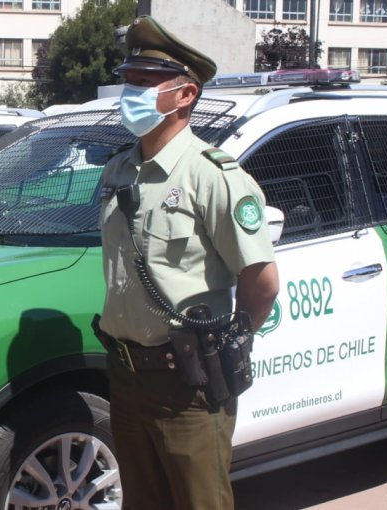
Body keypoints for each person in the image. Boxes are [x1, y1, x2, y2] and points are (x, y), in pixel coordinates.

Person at [95, 16, 280, 510]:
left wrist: (231, 343)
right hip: (128, 378)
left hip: (189, 386)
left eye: (145, 84)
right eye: (128, 81)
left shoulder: (213, 177)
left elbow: (261, 281)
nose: (129, 93)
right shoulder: (120, 170)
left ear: (184, 96)